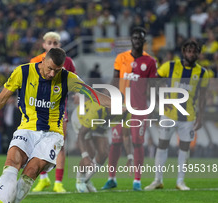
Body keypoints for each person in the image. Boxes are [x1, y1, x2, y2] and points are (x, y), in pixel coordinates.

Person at [0, 48, 111, 203]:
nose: (52, 73)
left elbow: (92, 94)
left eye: (57, 70)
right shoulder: (22, 72)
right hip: (26, 128)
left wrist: (122, 104)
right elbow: (1, 99)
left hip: (52, 134)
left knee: (31, 170)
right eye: (50, 69)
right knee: (12, 160)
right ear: (43, 60)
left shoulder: (67, 78)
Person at [144, 39, 209, 191]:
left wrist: (201, 117)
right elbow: (152, 82)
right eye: (189, 51)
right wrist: (159, 100)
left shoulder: (202, 73)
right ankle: (157, 180)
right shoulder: (170, 66)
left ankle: (180, 181)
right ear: (184, 52)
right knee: (162, 145)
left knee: (184, 148)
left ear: (198, 54)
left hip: (188, 117)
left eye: (194, 52)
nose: (191, 54)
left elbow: (203, 97)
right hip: (168, 114)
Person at [102, 27, 158, 191]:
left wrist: (153, 106)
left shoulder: (150, 62)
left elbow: (153, 86)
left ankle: (137, 181)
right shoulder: (121, 58)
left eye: (140, 38)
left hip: (139, 109)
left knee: (137, 143)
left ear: (144, 41)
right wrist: (106, 98)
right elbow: (115, 79)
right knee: (116, 142)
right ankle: (111, 178)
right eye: (134, 38)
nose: (137, 41)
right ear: (131, 40)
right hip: (120, 108)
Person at [30, 31, 76, 193]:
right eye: (49, 43)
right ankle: (43, 179)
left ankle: (58, 182)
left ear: (59, 45)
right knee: (39, 143)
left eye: (55, 43)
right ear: (44, 45)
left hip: (59, 108)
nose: (52, 45)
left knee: (60, 144)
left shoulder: (68, 62)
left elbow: (73, 82)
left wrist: (76, 95)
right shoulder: (35, 61)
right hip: (40, 108)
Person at [71, 96, 133, 193]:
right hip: (81, 118)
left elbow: (126, 136)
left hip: (100, 124)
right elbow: (81, 135)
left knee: (104, 152)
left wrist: (130, 157)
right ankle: (79, 180)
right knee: (90, 153)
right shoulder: (97, 110)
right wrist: (85, 156)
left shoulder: (126, 113)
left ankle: (86, 180)